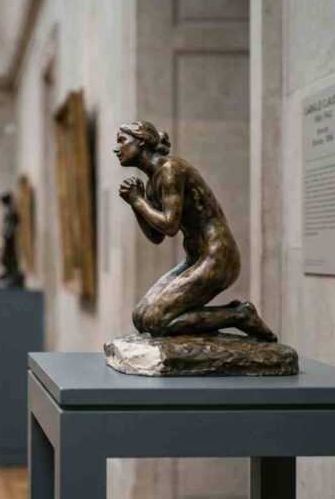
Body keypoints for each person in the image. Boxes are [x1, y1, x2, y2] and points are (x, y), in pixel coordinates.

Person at [115, 120, 275, 341]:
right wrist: (137, 204)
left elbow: (170, 226)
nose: (117, 148)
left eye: (122, 141)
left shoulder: (171, 170)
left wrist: (138, 202)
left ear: (141, 142)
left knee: (156, 320)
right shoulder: (153, 181)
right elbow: (156, 236)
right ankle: (234, 316)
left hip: (218, 256)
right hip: (196, 257)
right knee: (140, 317)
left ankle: (238, 316)